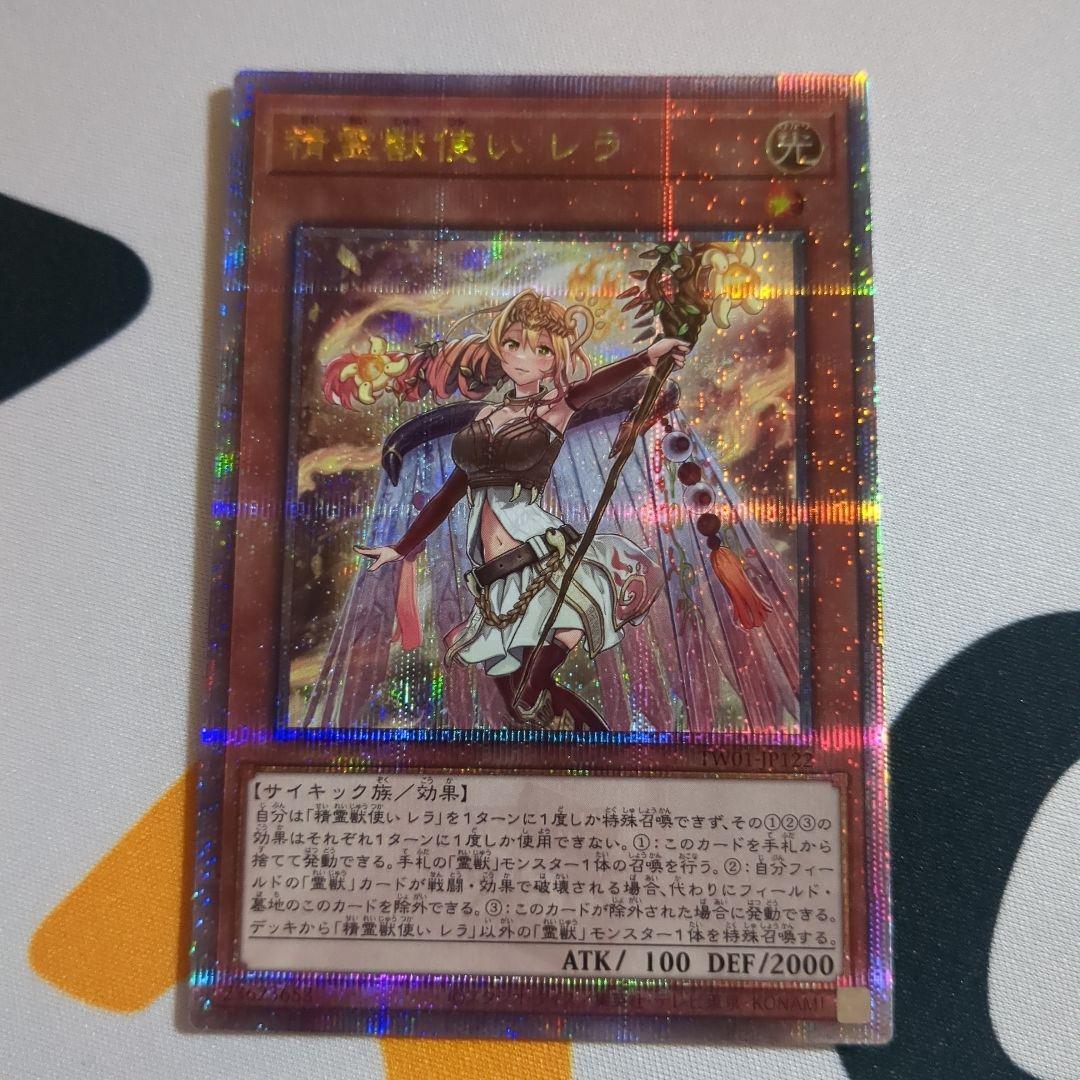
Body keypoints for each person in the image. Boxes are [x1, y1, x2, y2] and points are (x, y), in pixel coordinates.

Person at [326, 288, 689, 732]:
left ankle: (587, 737)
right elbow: (449, 493)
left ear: (555, 359)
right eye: (514, 344)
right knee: (520, 703)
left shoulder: (556, 408)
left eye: (541, 350)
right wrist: (401, 548)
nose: (523, 358)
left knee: (543, 668)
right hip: (491, 574)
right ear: (500, 345)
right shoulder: (484, 418)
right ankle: (589, 743)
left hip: (536, 550)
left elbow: (592, 387)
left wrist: (647, 356)